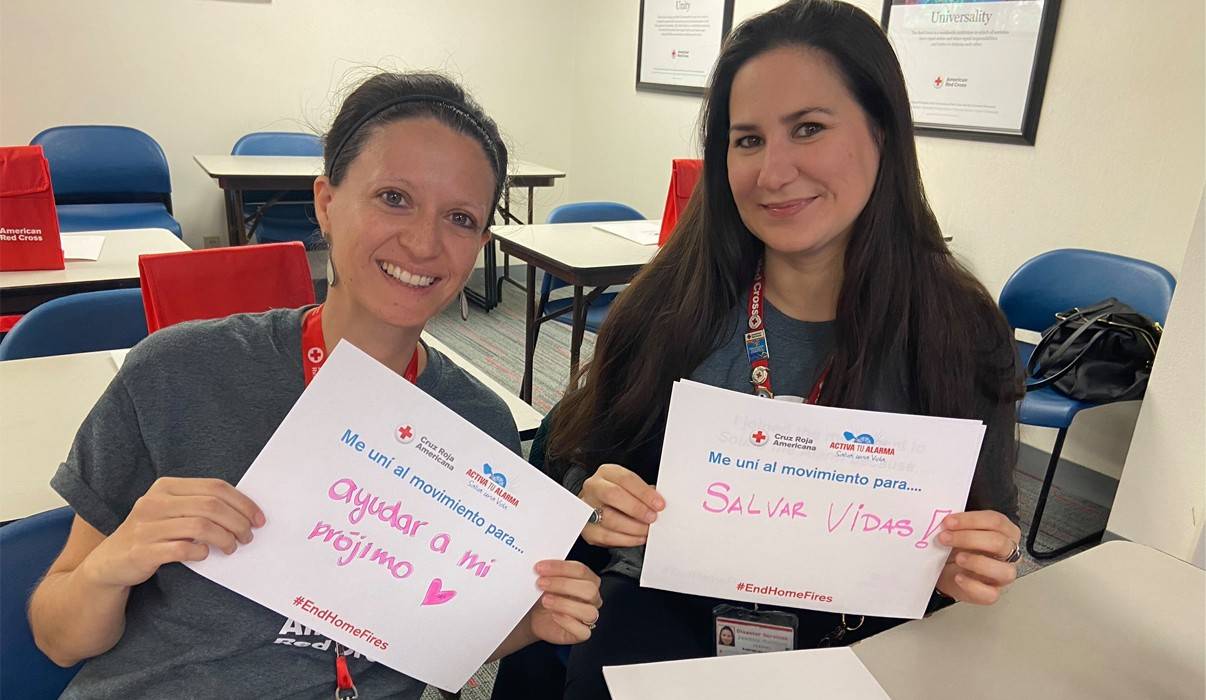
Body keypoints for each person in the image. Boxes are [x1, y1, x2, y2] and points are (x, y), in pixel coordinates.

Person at [28, 72, 602, 699]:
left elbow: (435, 632)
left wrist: (526, 623)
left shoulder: (477, 425)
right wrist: (116, 563)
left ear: (481, 247)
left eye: (460, 218)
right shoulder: (177, 374)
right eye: (394, 198)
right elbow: (58, 637)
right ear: (326, 203)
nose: (423, 242)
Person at [540, 2, 1024, 697]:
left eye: (809, 129)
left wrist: (975, 561)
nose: (772, 172)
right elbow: (576, 472)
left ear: (882, 133)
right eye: (747, 140)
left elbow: (990, 520)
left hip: (866, 643)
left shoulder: (960, 328)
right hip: (669, 630)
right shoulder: (669, 305)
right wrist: (596, 503)